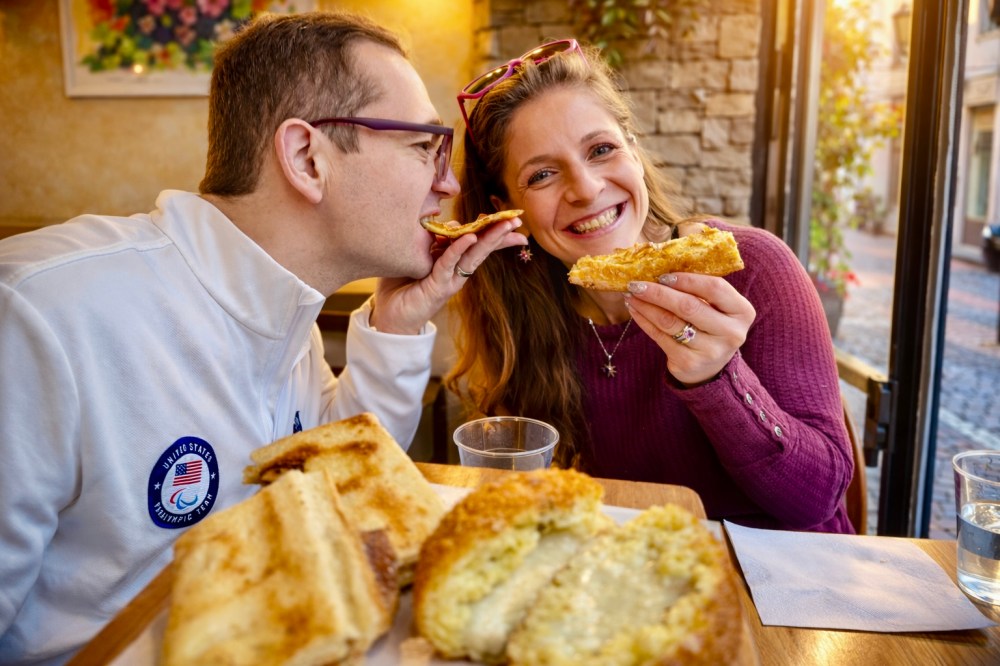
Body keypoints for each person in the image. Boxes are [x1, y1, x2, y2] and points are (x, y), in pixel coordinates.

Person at [0, 12, 526, 664]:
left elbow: (332, 480)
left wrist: (397, 324)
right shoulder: (38, 315)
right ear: (308, 158)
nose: (448, 183)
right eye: (424, 146)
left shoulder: (283, 305)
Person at [446, 39, 854, 534]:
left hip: (781, 588)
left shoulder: (753, 269)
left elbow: (819, 499)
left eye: (601, 150)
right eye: (543, 174)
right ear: (510, 210)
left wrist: (716, 377)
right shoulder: (519, 316)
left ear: (634, 154)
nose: (586, 189)